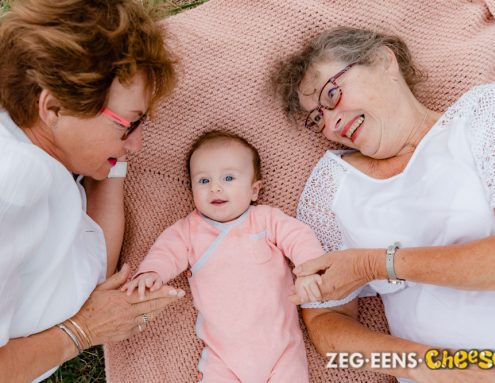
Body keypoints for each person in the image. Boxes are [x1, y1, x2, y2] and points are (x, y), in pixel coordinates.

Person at [273, 26, 495, 383]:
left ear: (383, 61)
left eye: (332, 94)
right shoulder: (329, 190)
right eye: (317, 119)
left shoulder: (484, 118)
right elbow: (322, 321)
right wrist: (432, 366)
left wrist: (374, 264)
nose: (331, 123)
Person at [0, 1, 186, 381]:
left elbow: (91, 250)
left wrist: (110, 156)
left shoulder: (48, 152)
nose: (136, 145)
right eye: (130, 125)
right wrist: (81, 331)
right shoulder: (14, 182)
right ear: (53, 107)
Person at [123, 130, 325, 382]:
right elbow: (165, 252)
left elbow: (299, 238)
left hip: (282, 349)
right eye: (204, 181)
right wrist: (151, 273)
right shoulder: (189, 231)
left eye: (228, 178)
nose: (215, 187)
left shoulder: (265, 219)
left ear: (254, 190)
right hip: (224, 355)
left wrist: (308, 271)